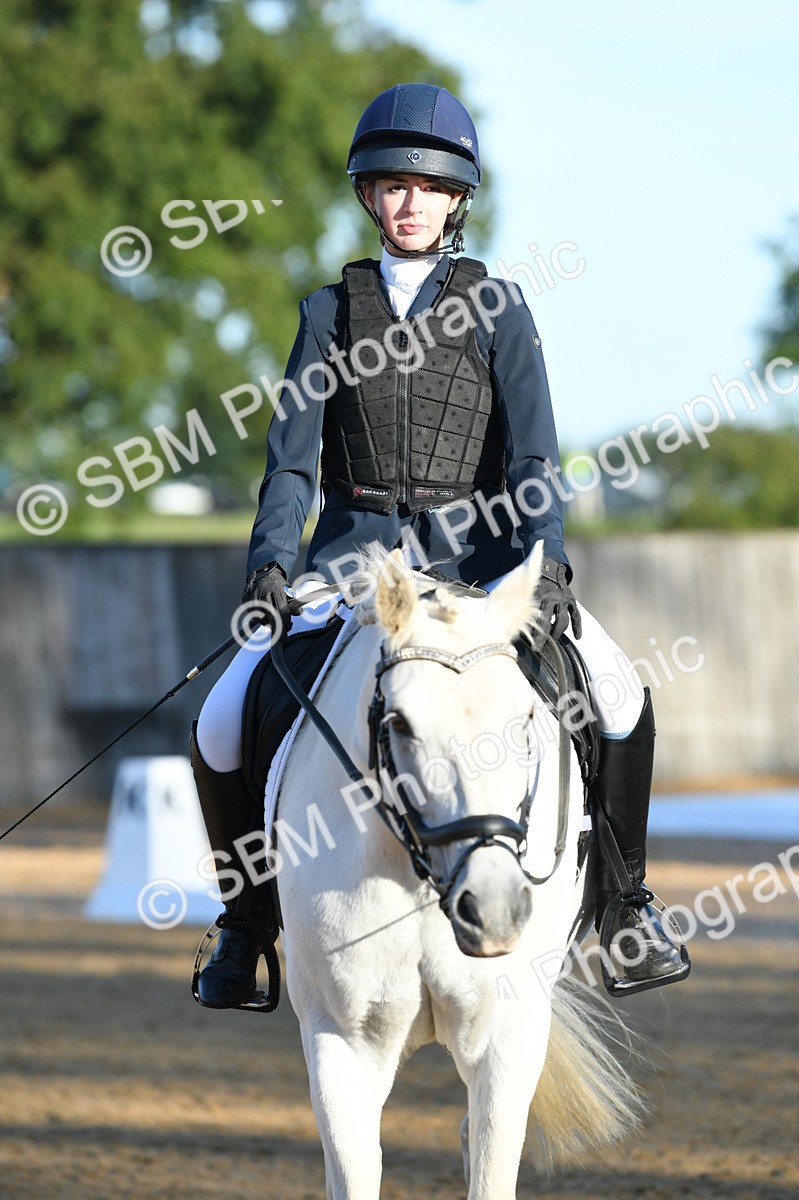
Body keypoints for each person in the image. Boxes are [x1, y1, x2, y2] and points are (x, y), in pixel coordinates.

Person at [191, 82, 689, 1010]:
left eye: (426, 187)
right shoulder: (325, 313)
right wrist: (269, 564)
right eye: (389, 186)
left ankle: (625, 906)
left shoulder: (497, 308)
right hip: (352, 566)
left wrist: (542, 568)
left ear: (458, 199)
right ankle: (244, 924)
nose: (407, 203)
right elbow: (291, 465)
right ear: (368, 198)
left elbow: (534, 456)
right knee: (221, 717)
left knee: (618, 693)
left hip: (480, 566)